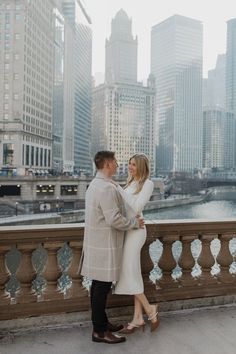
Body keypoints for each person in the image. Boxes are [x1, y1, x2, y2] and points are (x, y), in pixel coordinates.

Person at [81, 151, 144, 344]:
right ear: (107, 164)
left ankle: (102, 323)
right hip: (105, 246)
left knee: (97, 288)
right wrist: (134, 223)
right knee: (101, 289)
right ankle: (99, 331)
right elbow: (114, 219)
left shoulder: (95, 184)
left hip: (96, 244)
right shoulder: (106, 188)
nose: (118, 164)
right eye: (115, 162)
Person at [114, 153, 160, 333]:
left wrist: (119, 190)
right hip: (128, 229)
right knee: (133, 272)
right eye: (129, 164)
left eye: (133, 164)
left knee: (129, 271)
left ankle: (150, 309)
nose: (130, 167)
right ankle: (138, 318)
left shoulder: (147, 184)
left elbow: (137, 206)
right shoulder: (130, 184)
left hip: (137, 232)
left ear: (141, 166)